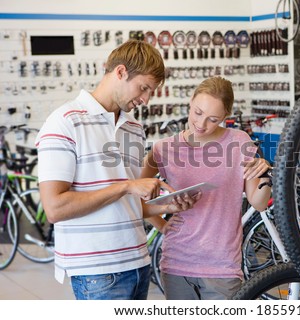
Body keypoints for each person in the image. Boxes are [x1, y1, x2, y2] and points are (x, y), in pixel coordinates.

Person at [36, 39, 199, 300]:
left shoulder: (133, 129)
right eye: (143, 88)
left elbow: (127, 206)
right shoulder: (64, 122)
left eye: (151, 92)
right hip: (98, 272)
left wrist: (168, 206)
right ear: (121, 72)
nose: (145, 99)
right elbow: (55, 208)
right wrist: (126, 185)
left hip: (138, 262)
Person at [142, 76, 272, 300]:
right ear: (191, 102)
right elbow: (136, 200)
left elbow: (258, 202)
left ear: (225, 117)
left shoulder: (239, 142)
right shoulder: (163, 149)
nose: (202, 124)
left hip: (222, 267)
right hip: (176, 265)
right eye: (198, 113)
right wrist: (162, 226)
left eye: (213, 119)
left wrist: (264, 172)